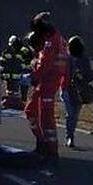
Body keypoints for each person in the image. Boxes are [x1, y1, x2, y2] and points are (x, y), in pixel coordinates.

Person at [24, 12, 68, 163]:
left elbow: (46, 63)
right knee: (30, 110)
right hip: (45, 81)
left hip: (49, 81)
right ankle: (42, 142)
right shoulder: (55, 38)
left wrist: (33, 77)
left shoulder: (51, 40)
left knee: (45, 115)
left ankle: (50, 149)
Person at [61, 35, 93, 148]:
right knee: (73, 114)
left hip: (73, 89)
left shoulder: (69, 58)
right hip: (72, 88)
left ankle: (70, 136)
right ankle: (70, 136)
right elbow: (89, 75)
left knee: (72, 114)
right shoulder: (74, 58)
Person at [0, 35, 25, 105]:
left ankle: (14, 103)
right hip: (9, 76)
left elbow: (23, 64)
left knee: (14, 90)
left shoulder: (19, 53)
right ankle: (9, 103)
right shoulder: (7, 52)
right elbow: (2, 63)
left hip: (14, 76)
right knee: (10, 90)